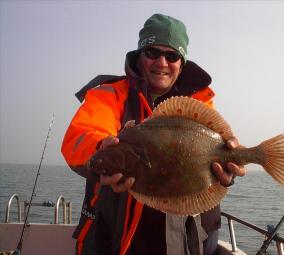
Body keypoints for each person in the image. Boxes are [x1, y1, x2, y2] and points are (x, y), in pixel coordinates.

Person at [62, 13, 246, 255]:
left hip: (188, 240)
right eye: (152, 53)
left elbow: (212, 156)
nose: (162, 62)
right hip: (119, 238)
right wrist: (100, 148)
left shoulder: (199, 106)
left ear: (181, 65)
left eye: (171, 56)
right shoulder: (110, 95)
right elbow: (82, 134)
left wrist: (230, 167)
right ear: (139, 58)